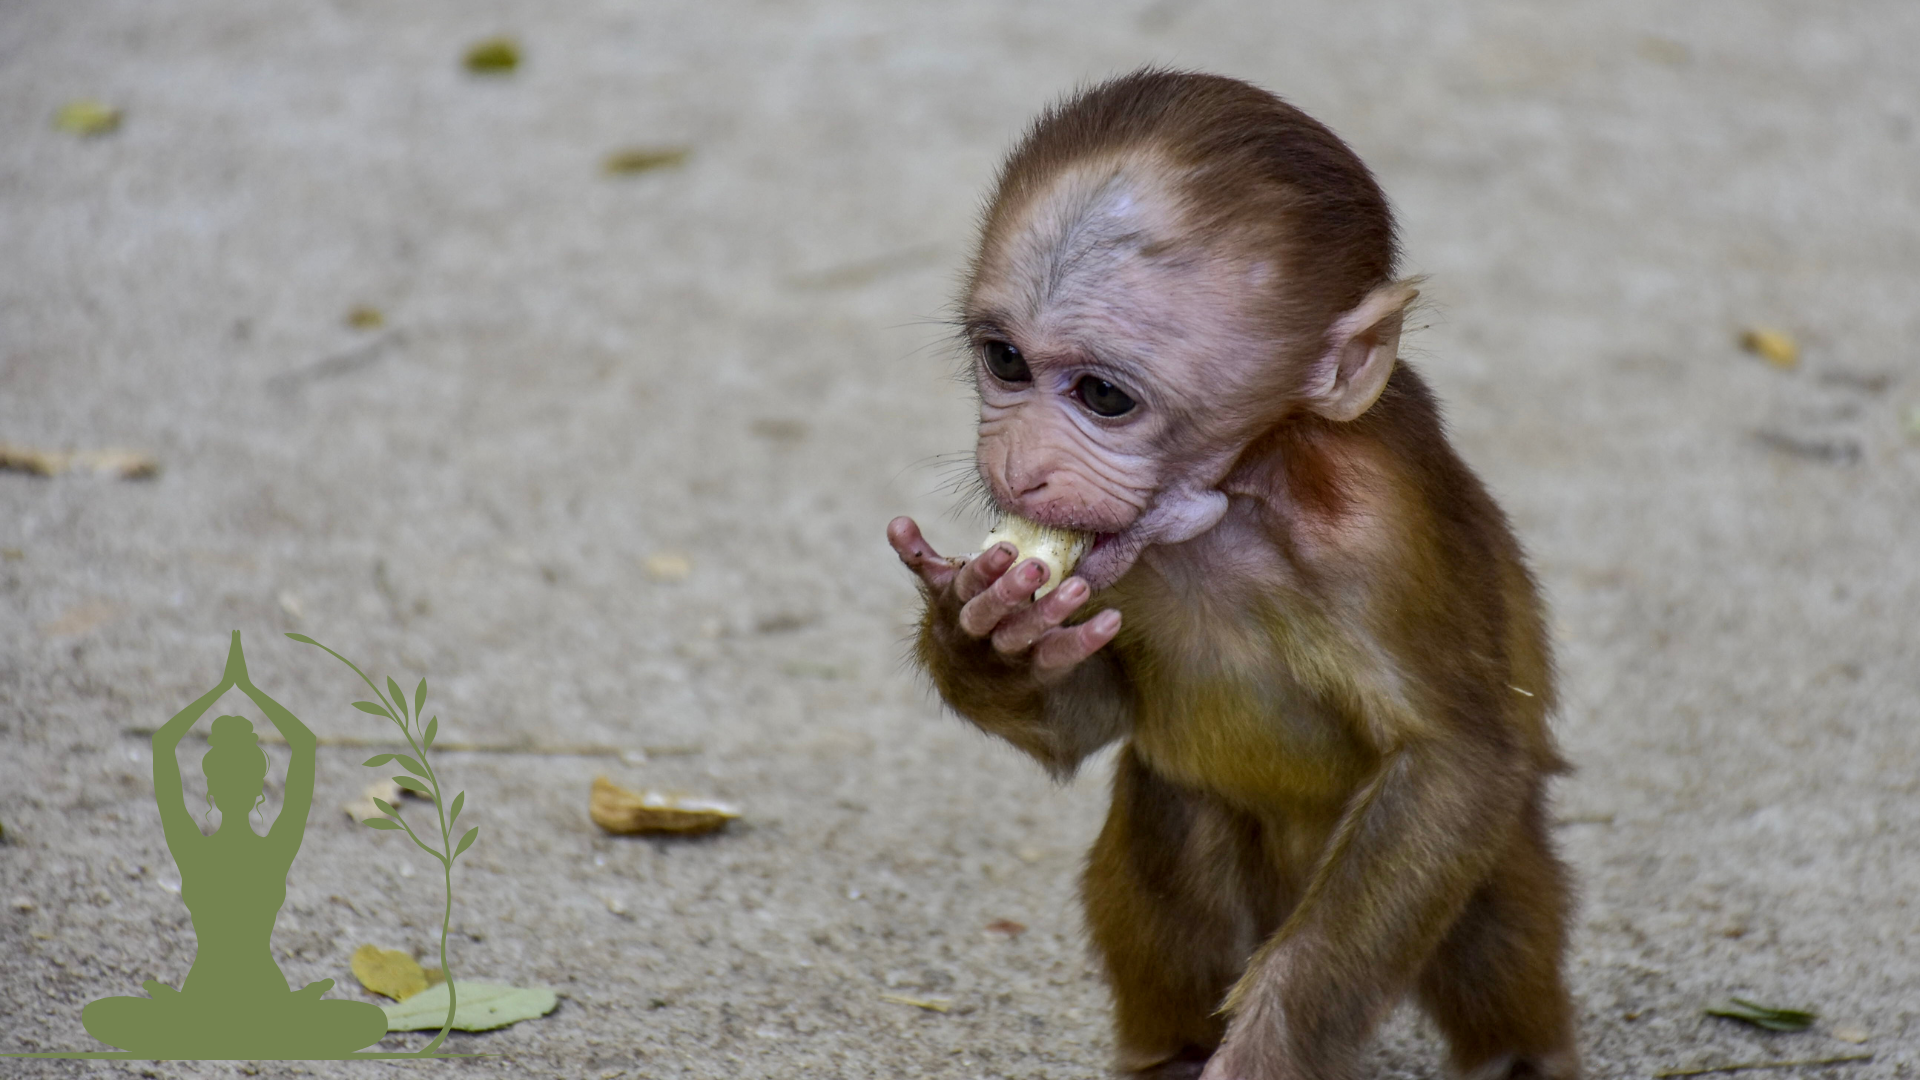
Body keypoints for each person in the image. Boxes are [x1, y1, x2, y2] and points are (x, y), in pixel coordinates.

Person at [82, 632, 388, 1059]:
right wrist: (235, 689)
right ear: (218, 788)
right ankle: (257, 1030)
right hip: (234, 1003)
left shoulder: (217, 852)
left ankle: (212, 1030)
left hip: (233, 1003)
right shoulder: (256, 852)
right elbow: (299, 744)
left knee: (368, 1022)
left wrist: (234, 689)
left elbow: (169, 744)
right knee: (105, 1015)